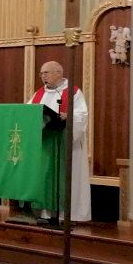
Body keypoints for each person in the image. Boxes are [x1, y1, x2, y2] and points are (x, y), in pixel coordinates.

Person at [26, 61, 91, 222]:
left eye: (46, 73)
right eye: (41, 73)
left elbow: (82, 115)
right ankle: (46, 213)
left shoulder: (73, 92)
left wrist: (67, 117)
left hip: (66, 145)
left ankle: (67, 214)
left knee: (66, 178)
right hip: (46, 145)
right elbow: (28, 112)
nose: (43, 76)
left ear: (58, 73)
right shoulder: (39, 94)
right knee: (46, 176)